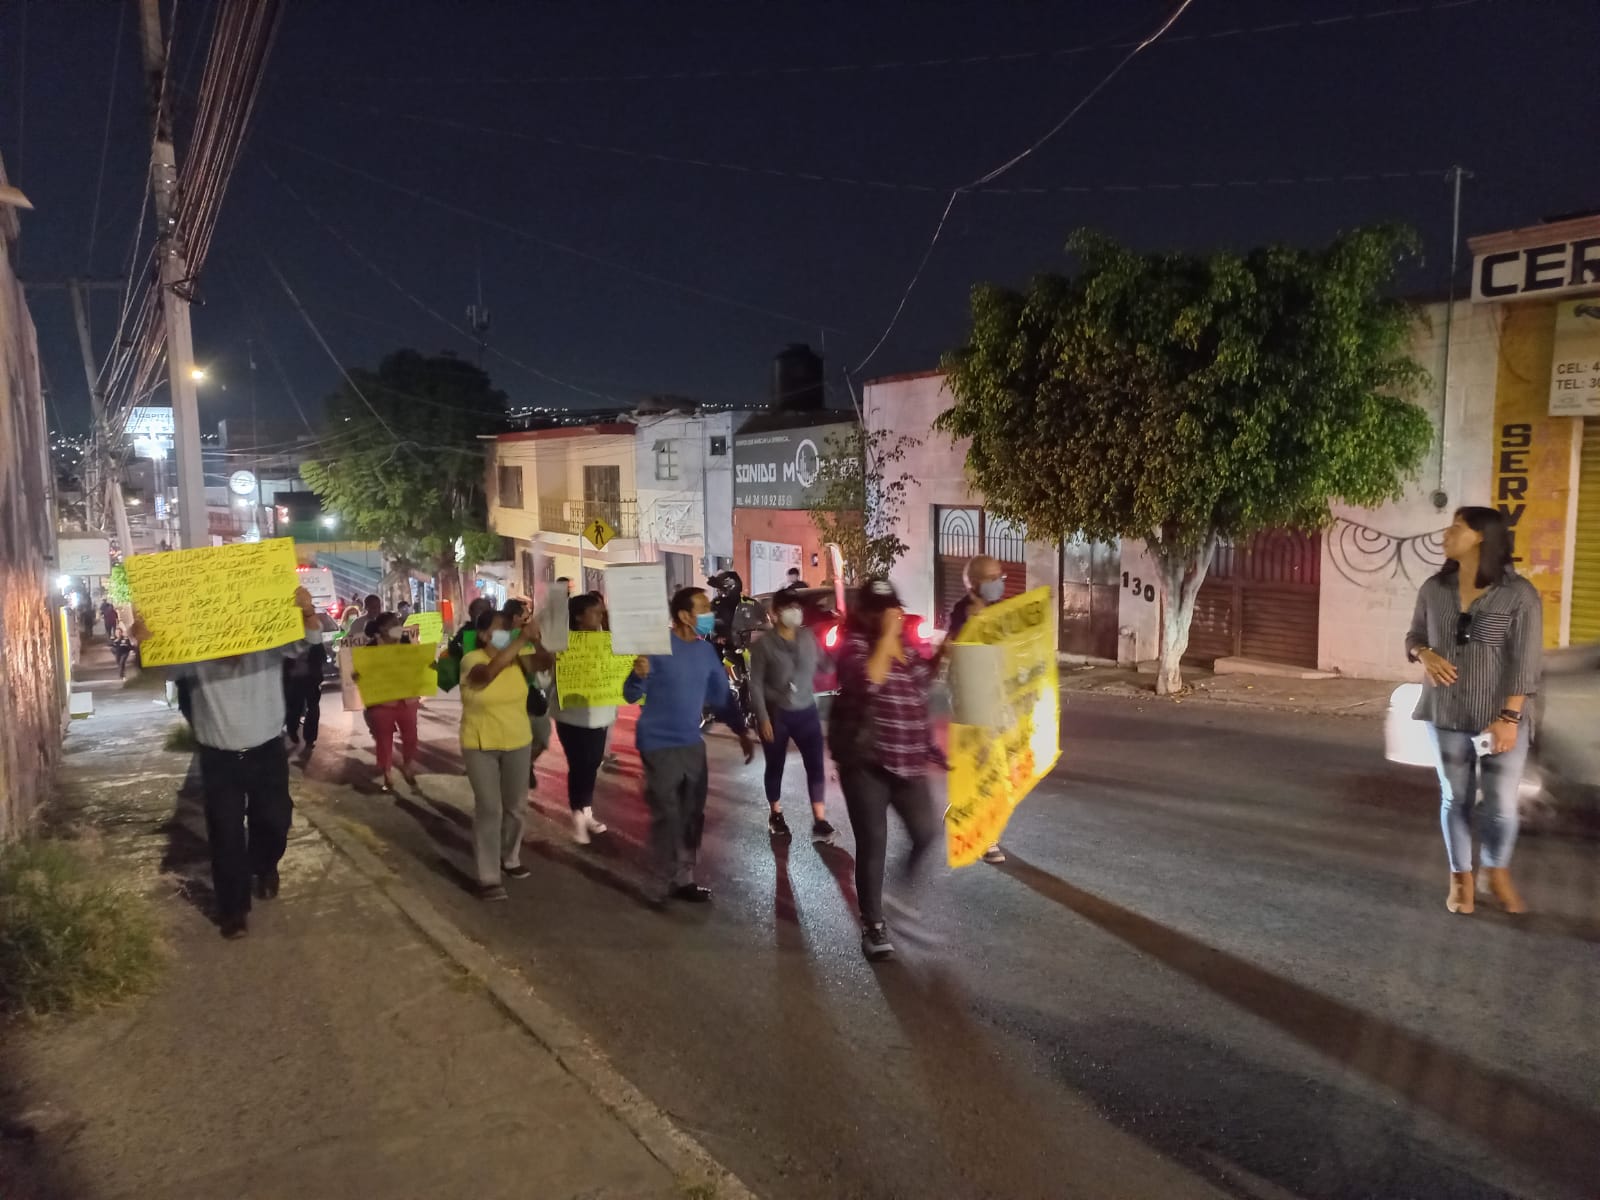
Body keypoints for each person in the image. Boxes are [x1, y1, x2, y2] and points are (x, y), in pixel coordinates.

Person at [133, 587, 321, 940]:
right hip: (219, 758)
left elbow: (305, 642)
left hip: (267, 752)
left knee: (276, 820)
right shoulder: (195, 655)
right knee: (226, 833)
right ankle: (233, 910)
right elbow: (160, 665)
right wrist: (145, 641)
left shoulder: (266, 644)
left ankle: (265, 866)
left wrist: (307, 611)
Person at [1405, 506, 1542, 916]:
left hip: (1498, 717)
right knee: (1455, 798)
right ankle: (1460, 879)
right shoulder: (1434, 588)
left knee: (1500, 802)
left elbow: (1527, 662)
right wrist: (1423, 653)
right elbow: (1414, 634)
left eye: (1457, 528)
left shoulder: (1518, 595)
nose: (1446, 534)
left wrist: (1510, 718)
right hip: (1444, 714)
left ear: (1482, 536)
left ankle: (1496, 872)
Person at [831, 578, 945, 960]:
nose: (890, 614)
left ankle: (893, 895)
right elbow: (870, 681)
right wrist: (887, 639)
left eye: (893, 606)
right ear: (866, 613)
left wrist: (944, 654)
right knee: (873, 842)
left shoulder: (906, 649)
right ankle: (873, 924)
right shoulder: (855, 648)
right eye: (881, 609)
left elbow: (918, 691)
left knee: (927, 832)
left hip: (908, 756)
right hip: (865, 759)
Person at [623, 586, 756, 903]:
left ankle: (685, 878)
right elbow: (629, 694)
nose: (710, 614)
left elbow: (722, 697)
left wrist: (741, 731)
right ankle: (661, 877)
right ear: (684, 615)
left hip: (691, 744)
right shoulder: (656, 648)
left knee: (693, 813)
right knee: (668, 812)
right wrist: (637, 674)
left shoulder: (705, 651)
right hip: (657, 743)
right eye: (704, 608)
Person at [459, 606, 551, 900]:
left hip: (518, 741)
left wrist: (535, 639)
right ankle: (488, 876)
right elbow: (486, 675)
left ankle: (510, 857)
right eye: (501, 630)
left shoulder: (517, 660)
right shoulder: (471, 660)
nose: (507, 635)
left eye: (509, 630)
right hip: (480, 743)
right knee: (489, 808)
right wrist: (520, 639)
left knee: (515, 806)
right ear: (484, 635)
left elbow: (546, 662)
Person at [750, 587, 835, 844]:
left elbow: (827, 664)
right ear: (774, 613)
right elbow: (755, 684)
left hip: (806, 711)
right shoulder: (763, 645)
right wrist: (763, 717)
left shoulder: (808, 637)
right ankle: (775, 813)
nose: (795, 612)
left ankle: (819, 820)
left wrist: (837, 635)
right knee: (775, 766)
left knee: (815, 766)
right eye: (788, 608)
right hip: (778, 715)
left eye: (797, 607)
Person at [947, 553, 1009, 865]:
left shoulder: (1001, 609)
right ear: (976, 583)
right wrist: (974, 622)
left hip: (997, 701)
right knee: (986, 770)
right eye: (993, 578)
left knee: (994, 770)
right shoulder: (962, 612)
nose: (1000, 583)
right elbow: (953, 652)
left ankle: (964, 811)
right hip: (972, 704)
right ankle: (987, 838)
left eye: (1001, 576)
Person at [552, 593, 615, 844]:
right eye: (595, 612)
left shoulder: (604, 639)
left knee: (593, 762)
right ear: (578, 616)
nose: (600, 615)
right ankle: (578, 815)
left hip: (600, 713)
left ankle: (586, 811)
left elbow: (620, 654)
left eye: (602, 612)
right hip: (571, 715)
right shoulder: (564, 642)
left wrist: (608, 621)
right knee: (579, 764)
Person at [360, 613, 420, 792]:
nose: (398, 627)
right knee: (384, 739)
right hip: (382, 702)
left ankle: (407, 764)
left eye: (398, 623)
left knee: (410, 736)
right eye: (393, 624)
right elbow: (362, 671)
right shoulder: (371, 648)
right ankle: (387, 772)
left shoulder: (406, 642)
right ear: (382, 629)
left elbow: (415, 664)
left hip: (406, 699)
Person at [282, 617, 328, 752]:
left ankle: (310, 738)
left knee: (313, 709)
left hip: (311, 680)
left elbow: (322, 657)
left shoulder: (314, 641)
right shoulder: (288, 640)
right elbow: (284, 660)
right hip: (294, 680)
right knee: (294, 708)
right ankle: (292, 730)